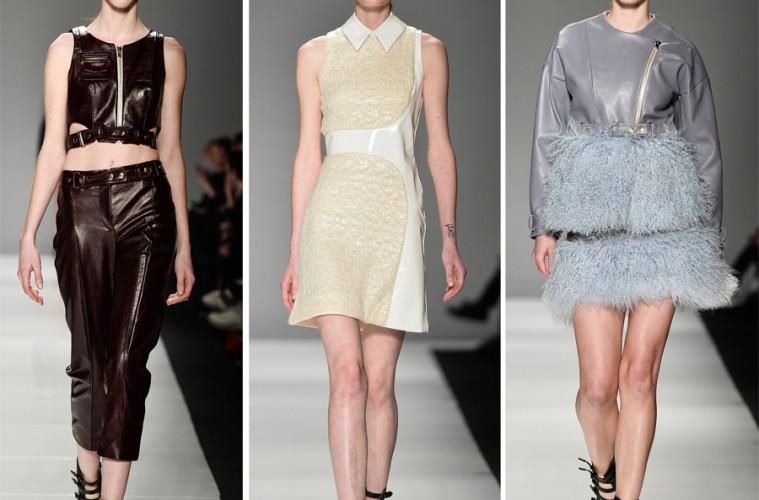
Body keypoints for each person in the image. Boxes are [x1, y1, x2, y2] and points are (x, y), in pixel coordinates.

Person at [528, 1, 736, 499]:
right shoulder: (571, 40)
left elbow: (704, 146)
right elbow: (547, 133)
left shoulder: (680, 50)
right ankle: (606, 478)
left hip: (666, 228)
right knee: (598, 390)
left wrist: (708, 236)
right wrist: (543, 223)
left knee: (638, 377)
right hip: (591, 226)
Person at [280, 1, 466, 498]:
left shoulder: (426, 50)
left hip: (395, 220)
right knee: (347, 377)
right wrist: (295, 249)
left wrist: (449, 238)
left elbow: (439, 146)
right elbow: (308, 152)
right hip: (329, 223)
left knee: (380, 382)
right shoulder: (315, 53)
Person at [16, 1, 194, 498]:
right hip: (83, 204)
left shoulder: (168, 52)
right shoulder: (65, 48)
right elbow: (53, 146)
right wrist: (28, 236)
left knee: (127, 358)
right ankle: (89, 476)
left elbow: (172, 149)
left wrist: (184, 244)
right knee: (90, 356)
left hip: (148, 202)